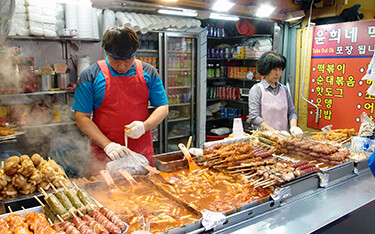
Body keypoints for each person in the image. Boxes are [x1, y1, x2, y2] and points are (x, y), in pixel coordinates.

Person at [72, 27, 169, 175]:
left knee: (147, 194)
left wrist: (144, 126)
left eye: (128, 61)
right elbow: (81, 117)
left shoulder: (149, 72)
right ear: (107, 53)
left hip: (141, 152)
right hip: (107, 154)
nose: (122, 66)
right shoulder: (90, 75)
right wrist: (108, 145)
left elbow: (163, 107)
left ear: (135, 53)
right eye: (116, 61)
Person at [248, 51, 303, 137]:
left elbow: (292, 112)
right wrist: (274, 132)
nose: (277, 73)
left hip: (284, 137)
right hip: (265, 138)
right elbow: (254, 117)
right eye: (274, 69)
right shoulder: (257, 89)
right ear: (266, 69)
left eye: (280, 69)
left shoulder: (284, 89)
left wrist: (293, 127)